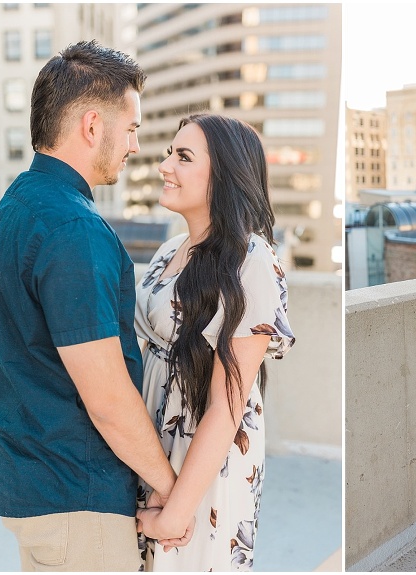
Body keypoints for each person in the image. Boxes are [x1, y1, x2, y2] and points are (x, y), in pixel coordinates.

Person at [0, 40, 192, 571]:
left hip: (37, 486)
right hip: (75, 497)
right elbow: (107, 398)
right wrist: (169, 487)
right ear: (94, 126)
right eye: (131, 129)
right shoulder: (74, 230)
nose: (135, 146)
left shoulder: (18, 205)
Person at [134, 113, 296, 571]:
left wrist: (178, 510)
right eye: (169, 153)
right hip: (153, 439)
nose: (166, 165)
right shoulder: (171, 249)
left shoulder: (253, 260)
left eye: (183, 156)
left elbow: (228, 404)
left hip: (203, 454)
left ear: (224, 174)